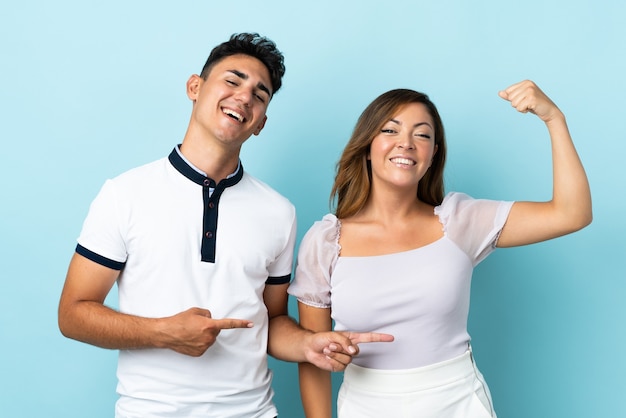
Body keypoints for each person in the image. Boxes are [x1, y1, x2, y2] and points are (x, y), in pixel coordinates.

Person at [58, 32, 392, 418]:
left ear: (261, 122)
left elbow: (274, 320)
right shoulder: (125, 194)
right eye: (232, 81)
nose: (244, 96)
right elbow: (73, 314)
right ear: (195, 88)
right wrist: (163, 332)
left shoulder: (279, 212)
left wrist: (307, 346)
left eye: (259, 94)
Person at [288, 80, 592, 418]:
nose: (406, 143)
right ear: (367, 145)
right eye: (391, 130)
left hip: (457, 402)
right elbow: (313, 355)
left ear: (433, 154)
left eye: (422, 135)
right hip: (364, 405)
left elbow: (572, 213)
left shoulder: (460, 221)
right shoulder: (326, 240)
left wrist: (554, 119)